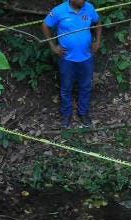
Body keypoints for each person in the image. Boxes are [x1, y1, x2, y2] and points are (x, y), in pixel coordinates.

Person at [41, 0, 103, 128]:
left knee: (86, 86)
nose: (83, 1)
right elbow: (45, 26)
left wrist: (97, 41)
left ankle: (83, 112)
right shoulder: (59, 10)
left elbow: (98, 22)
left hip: (86, 57)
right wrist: (52, 46)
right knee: (66, 88)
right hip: (67, 59)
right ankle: (66, 115)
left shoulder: (88, 7)